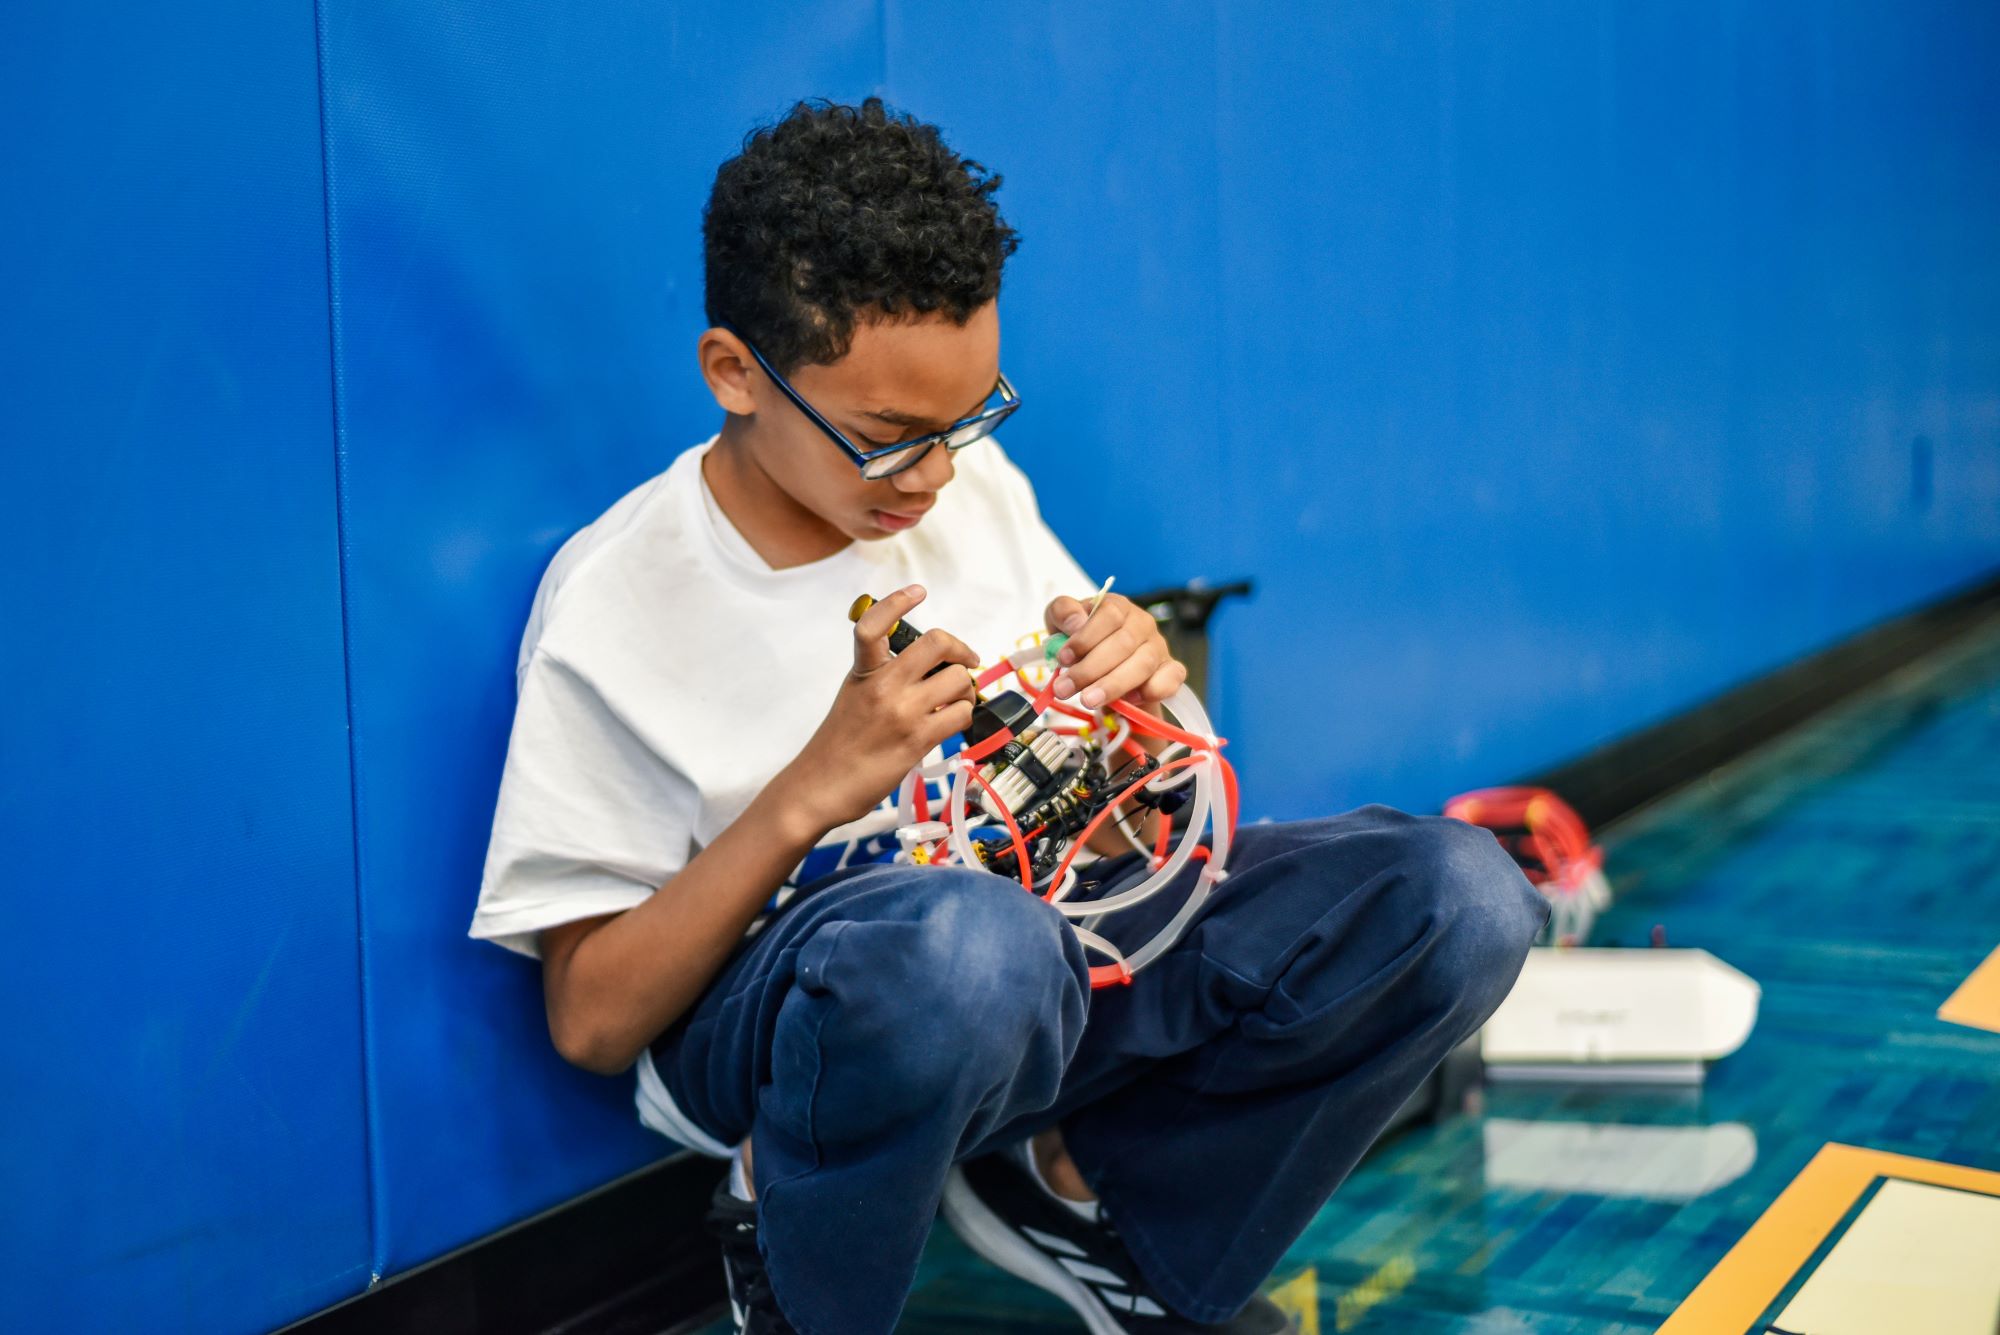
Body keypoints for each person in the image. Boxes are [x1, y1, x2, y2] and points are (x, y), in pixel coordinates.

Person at [469, 95, 1548, 1335]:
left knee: (1456, 901)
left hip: (1040, 977)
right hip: (800, 1030)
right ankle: (796, 1253)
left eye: (964, 422)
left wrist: (1140, 704)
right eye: (887, 439)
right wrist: (815, 785)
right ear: (734, 374)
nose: (931, 478)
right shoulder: (620, 600)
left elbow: (1099, 822)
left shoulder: (963, 489)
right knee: (964, 948)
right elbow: (593, 1021)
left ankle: (1088, 1202)